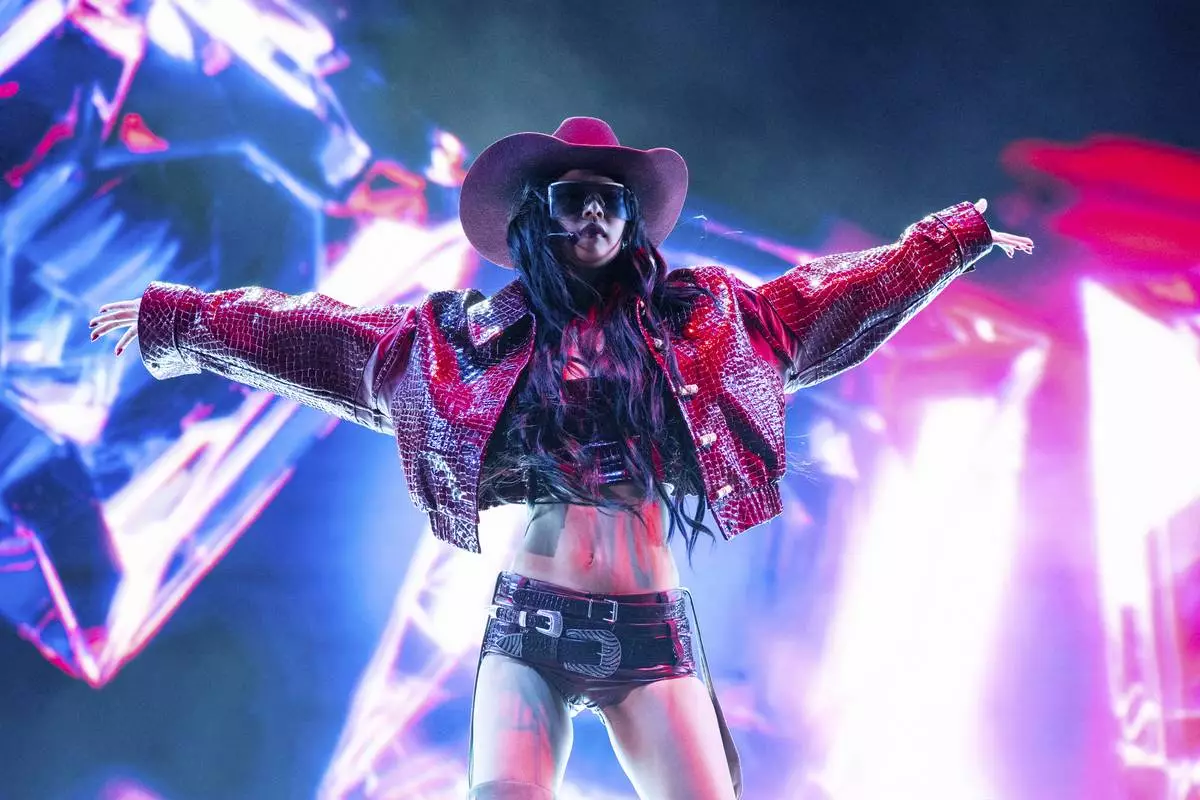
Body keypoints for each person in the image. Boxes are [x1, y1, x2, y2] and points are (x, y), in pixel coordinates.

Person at [90, 117, 1034, 800]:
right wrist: (181, 320)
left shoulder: (703, 322)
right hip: (528, 629)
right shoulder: (462, 339)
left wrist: (950, 240)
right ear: (542, 215)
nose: (595, 218)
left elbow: (818, 304)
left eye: (611, 203)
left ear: (631, 220)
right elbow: (329, 337)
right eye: (576, 200)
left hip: (651, 638)